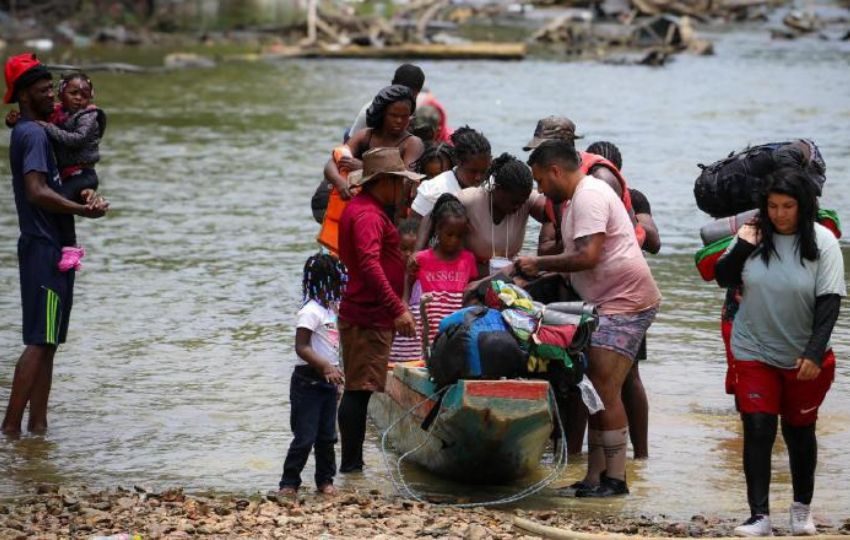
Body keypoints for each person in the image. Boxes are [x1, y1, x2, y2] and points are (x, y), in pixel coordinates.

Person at [516, 140, 661, 497]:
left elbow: (587, 255)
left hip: (626, 302)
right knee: (594, 388)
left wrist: (538, 263)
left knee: (604, 389)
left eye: (539, 181)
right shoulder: (574, 199)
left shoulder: (589, 196)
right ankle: (594, 478)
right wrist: (525, 277)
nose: (539, 190)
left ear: (555, 171)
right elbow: (577, 260)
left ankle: (615, 480)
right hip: (605, 302)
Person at [715, 169, 844, 537]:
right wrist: (743, 244)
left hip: (804, 353)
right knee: (757, 427)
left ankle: (801, 511)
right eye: (772, 206)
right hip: (753, 347)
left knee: (800, 431)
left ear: (804, 206)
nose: (779, 214)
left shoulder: (822, 242)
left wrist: (814, 352)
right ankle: (759, 516)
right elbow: (723, 277)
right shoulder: (753, 235)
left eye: (788, 206)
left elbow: (830, 301)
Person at [1, 52, 109, 436]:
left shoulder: (41, 129)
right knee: (39, 341)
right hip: (43, 248)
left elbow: (62, 183)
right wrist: (83, 213)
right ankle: (11, 430)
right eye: (46, 91)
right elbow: (36, 191)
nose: (54, 97)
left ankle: (38, 432)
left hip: (57, 248)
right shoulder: (32, 133)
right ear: (25, 96)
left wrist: (85, 198)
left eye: (53, 90)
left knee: (49, 343)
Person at [336, 147, 424, 472]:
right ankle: (351, 466)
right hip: (366, 314)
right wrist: (397, 308)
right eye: (399, 182)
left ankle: (352, 464)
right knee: (358, 391)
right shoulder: (368, 215)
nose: (403, 188)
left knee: (360, 388)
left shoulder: (365, 209)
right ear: (384, 182)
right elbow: (370, 265)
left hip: (367, 311)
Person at [585, 140, 659, 460]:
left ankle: (640, 455)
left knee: (629, 377)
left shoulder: (633, 198)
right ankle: (590, 456)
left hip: (628, 298)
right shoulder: (583, 199)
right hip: (601, 294)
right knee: (594, 375)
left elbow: (654, 241)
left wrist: (630, 224)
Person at [8, 72, 107, 272]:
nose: (79, 98)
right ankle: (67, 246)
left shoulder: (89, 116)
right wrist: (15, 121)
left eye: (84, 94)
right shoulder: (58, 111)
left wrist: (46, 127)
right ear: (61, 94)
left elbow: (75, 139)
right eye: (74, 93)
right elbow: (36, 115)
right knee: (60, 200)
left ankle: (71, 247)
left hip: (84, 173)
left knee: (60, 201)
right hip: (69, 174)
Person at [278, 253, 347, 498]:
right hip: (307, 382)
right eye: (339, 281)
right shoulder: (310, 311)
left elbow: (333, 347)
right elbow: (302, 347)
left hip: (328, 384)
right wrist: (325, 366)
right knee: (305, 437)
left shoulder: (330, 311)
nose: (342, 286)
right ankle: (289, 482)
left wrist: (337, 376)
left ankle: (325, 481)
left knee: (327, 437)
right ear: (327, 281)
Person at [454, 153, 546, 277]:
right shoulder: (469, 199)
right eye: (514, 202)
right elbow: (433, 215)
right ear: (497, 189)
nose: (518, 207)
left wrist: (546, 243)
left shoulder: (525, 198)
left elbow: (553, 212)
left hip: (507, 276)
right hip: (471, 274)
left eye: (522, 202)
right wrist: (418, 252)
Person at [408, 193, 478, 344]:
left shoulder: (468, 259)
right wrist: (404, 306)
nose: (454, 240)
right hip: (427, 327)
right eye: (449, 234)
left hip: (456, 330)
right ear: (438, 230)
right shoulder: (421, 259)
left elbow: (472, 291)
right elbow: (407, 283)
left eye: (459, 236)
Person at [409, 126, 492, 222]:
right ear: (459, 162)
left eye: (483, 171)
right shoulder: (433, 190)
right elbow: (412, 229)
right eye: (473, 171)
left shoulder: (491, 188)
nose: (479, 177)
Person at [345, 64, 425, 142]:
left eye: (404, 116)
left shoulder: (414, 110)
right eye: (393, 115)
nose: (399, 120)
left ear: (417, 94)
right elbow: (349, 143)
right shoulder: (371, 110)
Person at [388, 219, 423, 363]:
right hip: (392, 357)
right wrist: (406, 277)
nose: (409, 254)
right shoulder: (389, 277)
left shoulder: (425, 280)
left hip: (418, 358)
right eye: (403, 249)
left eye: (413, 249)